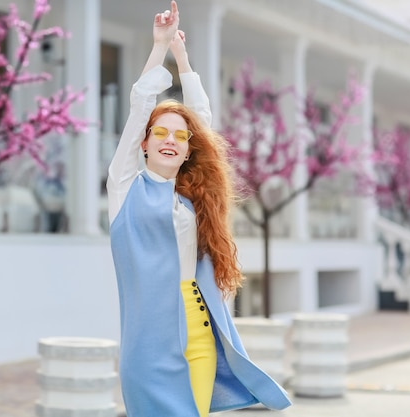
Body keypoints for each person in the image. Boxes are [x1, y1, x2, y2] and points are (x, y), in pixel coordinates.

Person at [107, 2, 291, 416]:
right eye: (161, 132)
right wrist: (158, 49)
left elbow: (202, 121)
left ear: (188, 149)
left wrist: (183, 58)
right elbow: (139, 108)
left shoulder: (192, 198)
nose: (170, 139)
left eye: (180, 135)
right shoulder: (124, 189)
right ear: (145, 142)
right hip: (149, 349)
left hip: (200, 334)